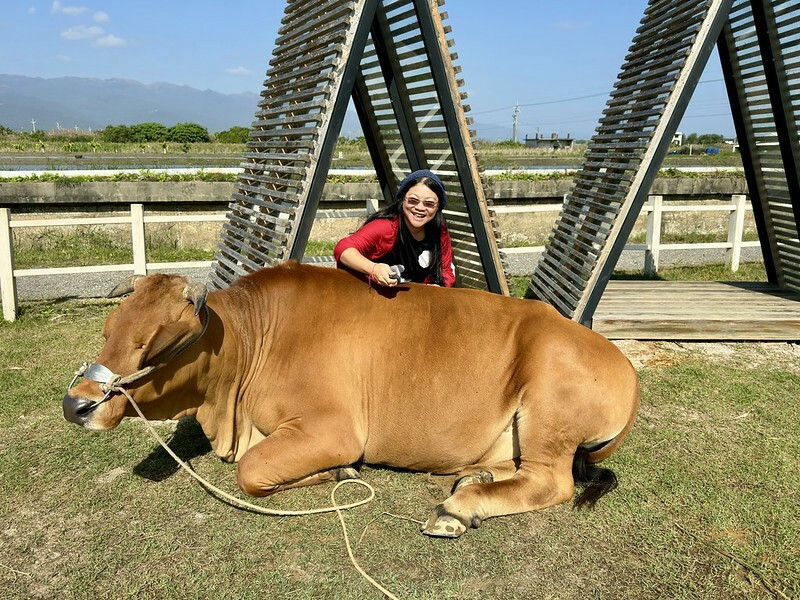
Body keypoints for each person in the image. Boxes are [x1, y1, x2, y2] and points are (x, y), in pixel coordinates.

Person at [334, 169, 455, 287]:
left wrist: (437, 289)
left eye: (429, 204)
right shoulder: (386, 227)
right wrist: (374, 268)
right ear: (402, 200)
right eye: (413, 201)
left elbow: (445, 270)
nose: (420, 208)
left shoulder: (439, 229)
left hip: (418, 301)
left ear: (438, 207)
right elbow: (343, 249)